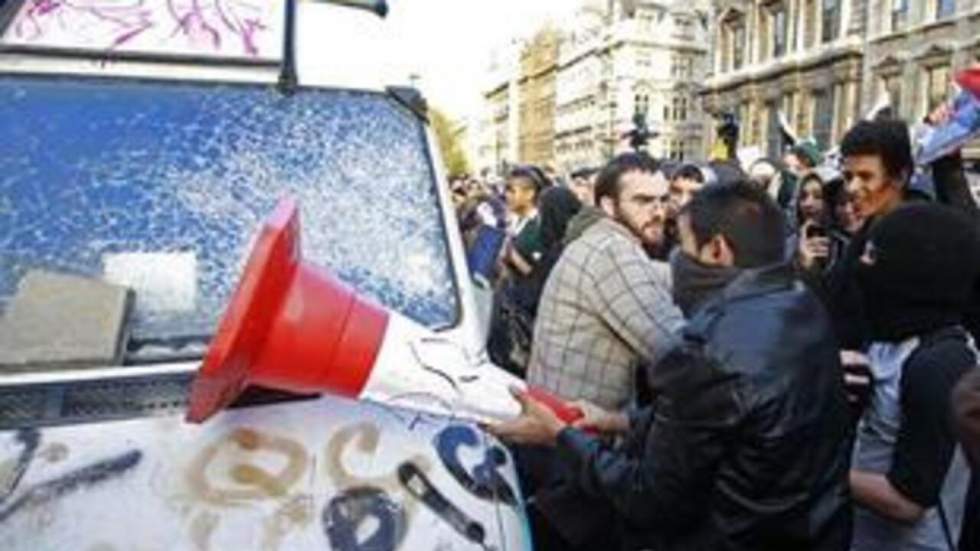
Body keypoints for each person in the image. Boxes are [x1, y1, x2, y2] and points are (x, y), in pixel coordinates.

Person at [492, 182, 853, 550]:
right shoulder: (802, 303)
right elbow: (724, 421)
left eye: (682, 244)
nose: (676, 259)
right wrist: (616, 420)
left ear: (717, 250)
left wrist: (560, 436)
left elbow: (647, 497)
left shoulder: (705, 350)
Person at [848, 203, 978, 551]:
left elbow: (907, 502)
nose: (862, 266)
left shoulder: (940, 365)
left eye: (874, 256)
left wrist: (817, 470)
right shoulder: (889, 336)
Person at [526, 152, 682, 411]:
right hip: (572, 435)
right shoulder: (612, 251)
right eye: (643, 201)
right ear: (609, 206)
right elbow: (676, 350)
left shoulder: (601, 241)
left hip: (564, 427)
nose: (658, 212)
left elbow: (656, 275)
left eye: (663, 200)